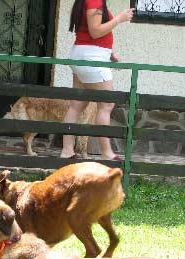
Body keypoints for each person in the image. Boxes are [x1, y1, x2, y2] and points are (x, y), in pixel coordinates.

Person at [61, 0, 134, 160]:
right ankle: (107, 153)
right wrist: (119, 19)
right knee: (106, 104)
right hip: (91, 57)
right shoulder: (95, 0)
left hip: (83, 54)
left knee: (76, 105)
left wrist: (109, 52)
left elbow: (89, 33)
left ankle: (66, 150)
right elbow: (95, 31)